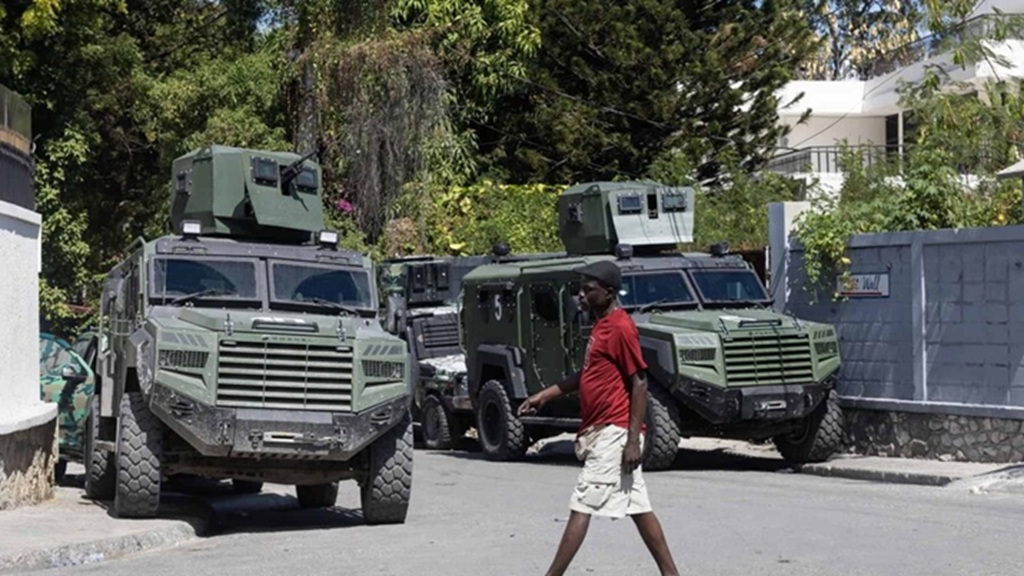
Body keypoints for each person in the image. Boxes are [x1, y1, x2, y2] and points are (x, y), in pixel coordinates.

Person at [518, 260, 680, 576]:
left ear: (608, 292)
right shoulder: (601, 325)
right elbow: (588, 374)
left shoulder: (620, 327)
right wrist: (545, 395)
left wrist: (632, 441)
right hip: (605, 430)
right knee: (639, 507)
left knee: (582, 503)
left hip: (613, 433)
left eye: (587, 289)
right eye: (580, 289)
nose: (580, 295)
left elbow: (639, 382)